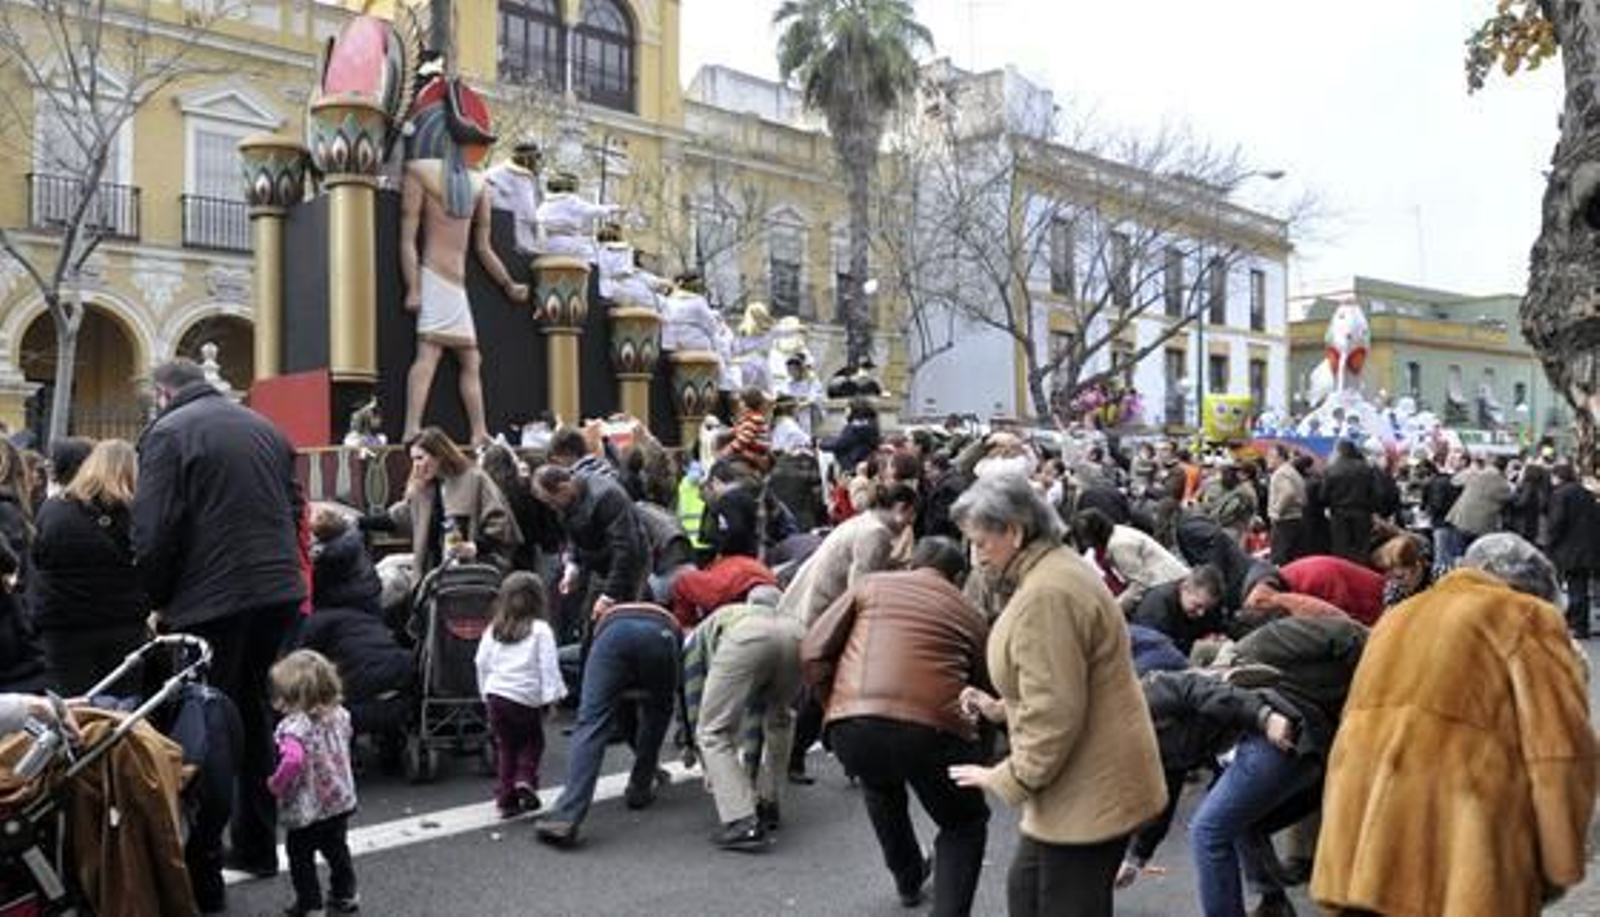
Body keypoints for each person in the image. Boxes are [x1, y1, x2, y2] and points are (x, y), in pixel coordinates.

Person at [1312, 534, 1598, 917]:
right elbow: (1560, 755)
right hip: (1459, 842)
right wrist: (1557, 865)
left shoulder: (1398, 616)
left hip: (1365, 834)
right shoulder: (1527, 617)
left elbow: (1353, 724)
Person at [946, 475, 1166, 917]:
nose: (976, 556)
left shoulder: (1047, 592)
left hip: (1087, 789)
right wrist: (1000, 709)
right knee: (1027, 895)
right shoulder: (1058, 571)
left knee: (1051, 901)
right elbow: (1064, 688)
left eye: (981, 542)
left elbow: (1054, 711)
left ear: (1014, 531)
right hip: (1086, 783)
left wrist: (1008, 776)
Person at [133, 358, 305, 878]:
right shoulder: (265, 428)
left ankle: (201, 863)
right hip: (276, 592)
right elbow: (294, 509)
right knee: (254, 715)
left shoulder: (167, 433)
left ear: (163, 394)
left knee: (204, 725)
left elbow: (154, 531)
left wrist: (155, 598)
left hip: (211, 599)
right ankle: (256, 845)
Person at [803, 537, 992, 915]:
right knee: (963, 824)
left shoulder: (870, 585)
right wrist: (981, 761)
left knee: (880, 786)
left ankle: (908, 879)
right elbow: (984, 692)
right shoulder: (971, 614)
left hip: (854, 724)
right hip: (934, 730)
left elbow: (812, 651)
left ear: (912, 563)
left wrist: (834, 707)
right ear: (957, 577)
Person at [1190, 615, 1368, 917]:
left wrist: (1366, 698)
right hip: (1306, 743)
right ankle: (1273, 901)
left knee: (1209, 830)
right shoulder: (1232, 687)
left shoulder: (1266, 641)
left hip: (1298, 740)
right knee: (1237, 822)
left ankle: (1273, 899)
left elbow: (1349, 635)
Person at [399, 82, 530, 446]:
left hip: (455, 286)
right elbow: (407, 238)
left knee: (470, 360)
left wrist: (508, 285)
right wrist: (414, 287)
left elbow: (483, 248)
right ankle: (411, 426)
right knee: (429, 355)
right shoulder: (421, 173)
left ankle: (478, 431)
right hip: (435, 277)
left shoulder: (476, 185)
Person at [533, 601, 681, 847]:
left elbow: (588, 656)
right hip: (662, 636)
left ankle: (566, 817)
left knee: (592, 723)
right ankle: (640, 786)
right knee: (657, 711)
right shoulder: (669, 618)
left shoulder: (605, 614)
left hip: (611, 635)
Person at [30, 439, 149, 695]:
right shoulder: (139, 514)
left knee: (71, 711)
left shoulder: (54, 509)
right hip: (123, 624)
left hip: (62, 626)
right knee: (119, 713)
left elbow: (38, 558)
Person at [694, 584, 805, 852]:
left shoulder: (731, 613)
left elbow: (694, 664)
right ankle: (769, 802)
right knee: (780, 719)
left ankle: (742, 821)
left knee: (713, 731)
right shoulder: (790, 617)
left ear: (749, 601)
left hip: (746, 639)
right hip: (798, 636)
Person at [267, 650, 359, 917]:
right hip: (338, 797)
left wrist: (276, 783)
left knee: (300, 856)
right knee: (336, 848)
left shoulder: (294, 728)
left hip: (307, 806)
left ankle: (310, 904)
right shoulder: (341, 714)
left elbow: (293, 761)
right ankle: (345, 893)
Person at [475, 571, 567, 819]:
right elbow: (548, 667)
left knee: (505, 748)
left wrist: (485, 693)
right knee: (532, 741)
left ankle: (506, 799)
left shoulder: (494, 628)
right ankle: (525, 779)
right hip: (524, 698)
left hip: (496, 695)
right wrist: (552, 698)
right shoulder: (540, 630)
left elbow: (481, 662)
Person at [385, 428, 522, 586]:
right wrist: (359, 521)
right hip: (434, 577)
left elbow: (502, 525)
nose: (416, 466)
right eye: (413, 460)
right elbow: (399, 518)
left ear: (439, 455)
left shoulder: (474, 479)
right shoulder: (423, 490)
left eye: (420, 458)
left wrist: (475, 546)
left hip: (474, 576)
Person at [777, 483, 918, 626]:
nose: (911, 522)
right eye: (912, 514)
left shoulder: (867, 521)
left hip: (805, 605)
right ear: (901, 507)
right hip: (819, 615)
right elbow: (860, 591)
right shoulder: (876, 533)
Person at [1071, 508, 1188, 614]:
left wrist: (1115, 609)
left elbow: (1140, 583)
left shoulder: (1119, 546)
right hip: (1169, 584)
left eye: (1084, 538)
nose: (1085, 543)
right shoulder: (1117, 533)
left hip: (1170, 586)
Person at [1546, 462, 1600, 637]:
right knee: (1580, 586)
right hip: (1587, 547)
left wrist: (1550, 542)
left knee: (1575, 586)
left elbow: (1557, 522)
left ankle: (1578, 626)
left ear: (1558, 476)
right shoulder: (1586, 493)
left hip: (1570, 547)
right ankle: (1578, 623)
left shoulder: (1560, 494)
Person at [1132, 565, 1228, 657]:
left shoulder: (1204, 605)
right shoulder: (1156, 609)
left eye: (1207, 609)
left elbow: (1217, 628)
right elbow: (1156, 653)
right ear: (1184, 588)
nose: (1201, 613)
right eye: (1198, 606)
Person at [1321, 440, 1378, 564]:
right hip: (1362, 513)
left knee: (1341, 548)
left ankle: (1343, 575)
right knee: (1362, 548)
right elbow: (1375, 493)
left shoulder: (1331, 469)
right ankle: (1361, 575)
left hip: (1339, 514)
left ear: (1339, 452)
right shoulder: (1366, 468)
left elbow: (1323, 496)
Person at [1265, 444, 1307, 564]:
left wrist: (1276, 512)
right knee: (1292, 558)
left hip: (1284, 521)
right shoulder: (1292, 471)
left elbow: (1288, 493)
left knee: (1280, 560)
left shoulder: (1281, 473)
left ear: (1280, 458)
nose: (1267, 459)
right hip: (1296, 519)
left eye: (1271, 456)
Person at [1370, 532, 1433, 610]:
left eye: (1400, 577)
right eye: (1390, 577)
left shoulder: (1439, 576)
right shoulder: (1393, 593)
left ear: (1418, 566)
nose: (1397, 583)